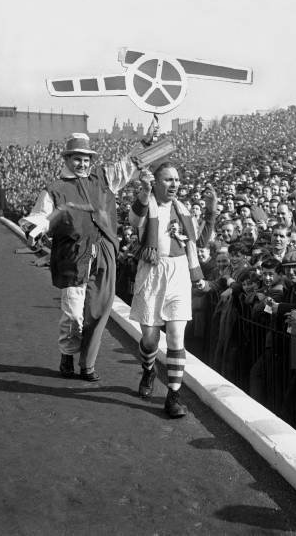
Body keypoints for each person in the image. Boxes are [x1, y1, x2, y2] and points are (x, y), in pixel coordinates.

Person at [20, 133, 144, 382]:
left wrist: (147, 141)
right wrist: (33, 229)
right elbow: (41, 217)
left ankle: (87, 364)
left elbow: (128, 164)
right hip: (74, 257)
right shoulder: (54, 189)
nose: (83, 165)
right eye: (77, 159)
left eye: (86, 160)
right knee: (73, 314)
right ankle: (67, 354)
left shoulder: (103, 178)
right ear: (67, 159)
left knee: (99, 310)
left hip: (104, 255)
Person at [129, 162, 205, 418]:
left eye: (177, 180)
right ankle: (149, 369)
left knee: (175, 335)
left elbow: (193, 244)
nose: (174, 184)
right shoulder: (147, 204)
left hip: (179, 272)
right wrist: (143, 191)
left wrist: (197, 275)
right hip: (152, 271)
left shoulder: (182, 210)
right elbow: (134, 219)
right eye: (168, 180)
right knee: (150, 340)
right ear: (156, 183)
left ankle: (173, 395)